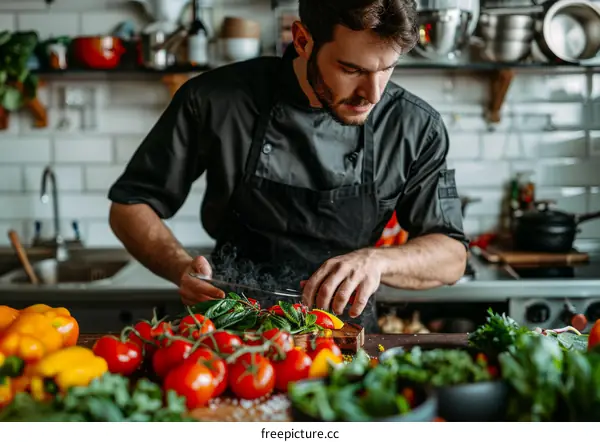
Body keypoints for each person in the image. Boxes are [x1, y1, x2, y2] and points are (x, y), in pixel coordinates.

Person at [107, 0, 468, 333]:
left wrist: (377, 262)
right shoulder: (215, 100)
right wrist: (179, 267)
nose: (371, 95)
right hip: (230, 332)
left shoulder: (415, 126)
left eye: (387, 68)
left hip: (344, 338)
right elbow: (130, 205)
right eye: (351, 69)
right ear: (301, 39)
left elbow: (452, 256)